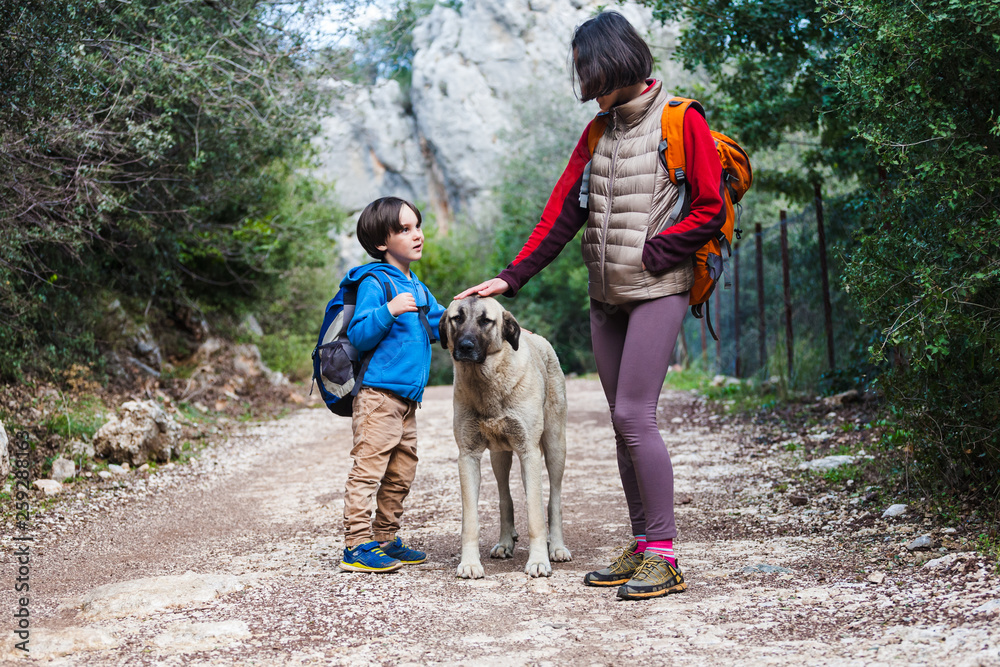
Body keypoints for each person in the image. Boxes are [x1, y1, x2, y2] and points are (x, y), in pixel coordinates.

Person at [455, 11, 725, 599]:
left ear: (617, 61)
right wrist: (510, 278)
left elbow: (711, 208)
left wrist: (658, 251)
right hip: (606, 299)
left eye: (589, 70)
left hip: (658, 289)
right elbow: (561, 215)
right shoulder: (599, 133)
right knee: (622, 425)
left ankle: (666, 555)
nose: (585, 83)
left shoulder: (683, 120)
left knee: (635, 417)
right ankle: (643, 545)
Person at [339, 196, 445, 573]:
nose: (416, 235)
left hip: (406, 400)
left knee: (401, 471)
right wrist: (389, 310)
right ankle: (356, 544)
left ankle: (384, 538)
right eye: (404, 229)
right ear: (382, 242)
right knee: (369, 469)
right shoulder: (376, 281)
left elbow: (441, 325)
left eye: (417, 226)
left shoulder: (416, 286)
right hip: (377, 396)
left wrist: (475, 312)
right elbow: (360, 334)